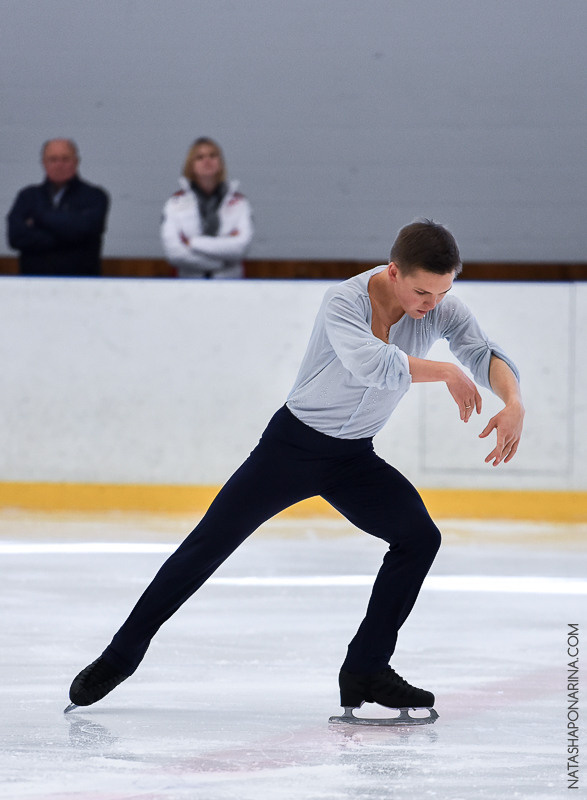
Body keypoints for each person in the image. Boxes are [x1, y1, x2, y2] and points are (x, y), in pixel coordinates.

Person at [67, 220, 524, 723]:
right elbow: (369, 364)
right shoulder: (344, 301)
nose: (431, 304)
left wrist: (514, 400)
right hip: (291, 449)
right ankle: (120, 656)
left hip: (353, 459)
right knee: (206, 546)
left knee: (419, 538)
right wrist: (446, 371)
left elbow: (481, 353)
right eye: (422, 292)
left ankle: (366, 669)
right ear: (394, 272)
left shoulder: (440, 305)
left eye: (442, 293)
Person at [6, 139, 109, 276]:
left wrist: (38, 218)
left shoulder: (94, 196)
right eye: (53, 159)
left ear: (76, 162)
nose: (59, 165)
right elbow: (16, 238)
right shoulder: (28, 197)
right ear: (44, 163)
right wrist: (67, 236)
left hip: (82, 286)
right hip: (33, 285)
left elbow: (85, 230)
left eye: (65, 159)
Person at [160, 137, 253, 278]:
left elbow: (241, 247)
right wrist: (219, 263)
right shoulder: (175, 204)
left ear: (221, 163)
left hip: (230, 287)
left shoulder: (239, 203)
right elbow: (175, 253)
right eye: (200, 157)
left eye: (212, 155)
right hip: (188, 287)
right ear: (190, 165)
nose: (207, 161)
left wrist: (192, 242)